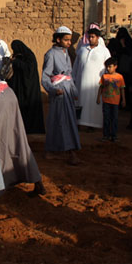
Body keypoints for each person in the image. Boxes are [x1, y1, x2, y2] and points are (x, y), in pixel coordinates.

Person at [42, 26, 81, 165]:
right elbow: (45, 77)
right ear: (58, 39)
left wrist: (74, 91)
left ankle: (62, 151)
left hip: (67, 93)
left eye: (70, 40)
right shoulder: (50, 54)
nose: (69, 42)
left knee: (66, 122)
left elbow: (68, 75)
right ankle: (68, 152)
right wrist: (53, 90)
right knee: (58, 122)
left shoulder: (66, 53)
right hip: (59, 94)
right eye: (66, 40)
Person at [73, 25, 111, 130]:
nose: (90, 39)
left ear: (98, 37)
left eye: (93, 37)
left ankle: (93, 126)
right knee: (80, 103)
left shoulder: (104, 51)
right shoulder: (82, 49)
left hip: (96, 84)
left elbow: (109, 67)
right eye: (89, 37)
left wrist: (106, 80)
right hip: (81, 83)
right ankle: (79, 123)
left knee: (94, 104)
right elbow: (76, 66)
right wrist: (74, 79)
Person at [8, 40, 45, 134]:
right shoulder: (18, 56)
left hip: (30, 89)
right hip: (19, 90)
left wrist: (16, 62)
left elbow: (28, 70)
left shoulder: (30, 57)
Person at [96, 57, 126, 142]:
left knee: (114, 119)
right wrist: (98, 97)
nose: (108, 68)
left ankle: (113, 135)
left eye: (110, 66)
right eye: (107, 67)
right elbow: (101, 87)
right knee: (106, 118)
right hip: (106, 101)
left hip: (115, 102)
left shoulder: (120, 77)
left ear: (115, 66)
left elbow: (122, 89)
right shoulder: (104, 76)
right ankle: (106, 135)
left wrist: (123, 100)